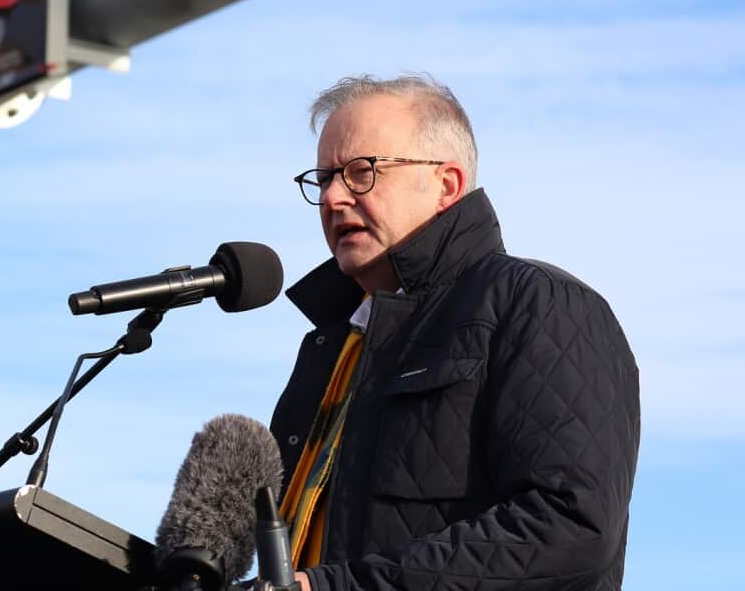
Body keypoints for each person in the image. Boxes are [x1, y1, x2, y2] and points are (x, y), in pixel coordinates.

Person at [268, 75, 640, 591]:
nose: (333, 198)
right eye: (325, 177)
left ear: (447, 185)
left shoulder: (538, 305)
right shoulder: (333, 347)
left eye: (361, 173)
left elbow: (570, 528)